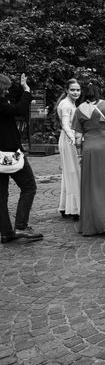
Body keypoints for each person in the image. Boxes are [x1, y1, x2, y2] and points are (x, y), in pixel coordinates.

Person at [72, 85, 105, 235]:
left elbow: (77, 137)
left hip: (88, 148)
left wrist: (79, 154)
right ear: (98, 93)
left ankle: (92, 224)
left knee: (91, 186)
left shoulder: (79, 109)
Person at [0, 74, 43, 243]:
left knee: (1, 195)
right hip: (10, 153)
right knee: (29, 186)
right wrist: (26, 91)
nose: (8, 90)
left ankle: (5, 232)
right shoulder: (1, 103)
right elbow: (18, 110)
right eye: (6, 87)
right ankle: (21, 226)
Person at [56, 79, 82, 220]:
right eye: (73, 90)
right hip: (69, 140)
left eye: (78, 90)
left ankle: (66, 207)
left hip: (70, 139)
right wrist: (74, 139)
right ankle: (75, 208)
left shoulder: (71, 103)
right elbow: (65, 125)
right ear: (67, 90)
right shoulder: (65, 104)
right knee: (74, 172)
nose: (76, 92)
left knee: (70, 172)